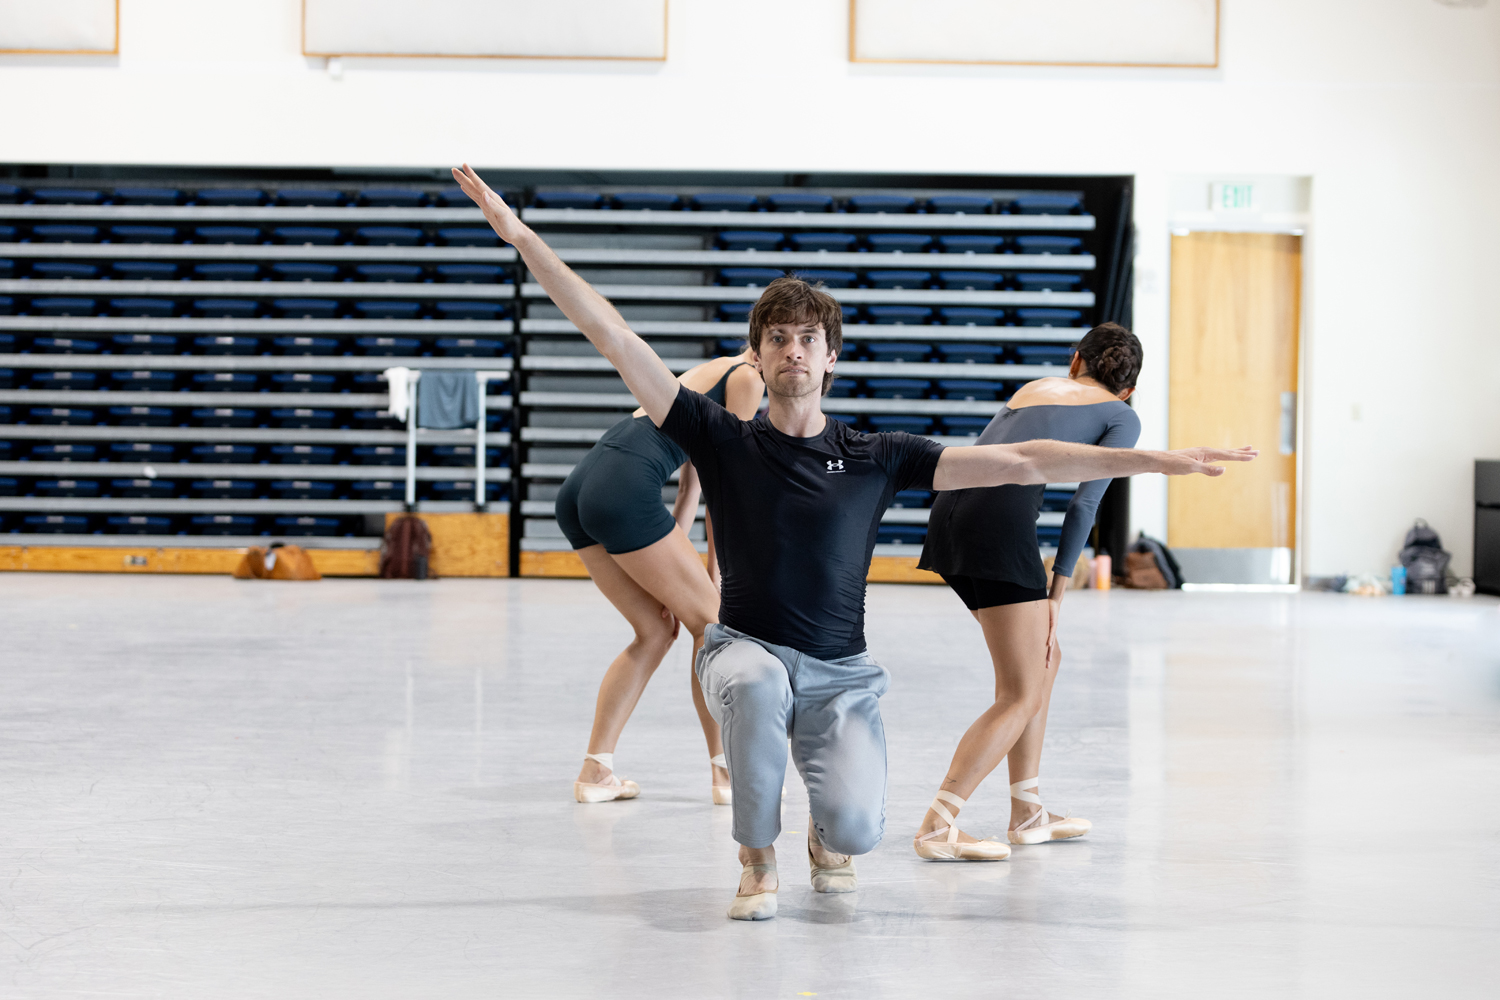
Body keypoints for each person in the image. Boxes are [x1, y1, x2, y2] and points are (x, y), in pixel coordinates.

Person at [450, 163, 1257, 921]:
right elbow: (615, 336)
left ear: (831, 357)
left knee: (856, 833)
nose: (793, 350)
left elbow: (1020, 458)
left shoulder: (877, 455)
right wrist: (523, 239)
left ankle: (822, 832)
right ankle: (757, 858)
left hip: (842, 673)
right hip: (746, 649)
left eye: (808, 338)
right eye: (778, 338)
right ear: (758, 357)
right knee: (757, 685)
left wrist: (1152, 459)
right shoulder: (723, 438)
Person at [911, 323, 1143, 860]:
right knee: (1022, 691)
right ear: (1128, 388)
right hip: (996, 523)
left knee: (1045, 658)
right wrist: (1055, 597)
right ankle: (937, 824)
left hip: (949, 511)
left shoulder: (1037, 386)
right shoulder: (1121, 415)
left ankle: (1027, 809)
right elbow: (1085, 505)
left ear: (1074, 360)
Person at [561, 350, 764, 805]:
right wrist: (717, 574)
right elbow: (723, 486)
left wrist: (684, 561)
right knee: (713, 628)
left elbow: (693, 483)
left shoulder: (717, 368)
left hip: (586, 482)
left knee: (655, 631)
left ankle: (596, 770)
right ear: (760, 347)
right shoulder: (749, 379)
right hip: (623, 483)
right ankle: (726, 775)